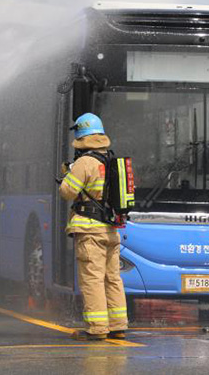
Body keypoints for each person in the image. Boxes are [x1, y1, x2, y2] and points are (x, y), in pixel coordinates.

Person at [59, 113, 128, 341]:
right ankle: (118, 325)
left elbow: (67, 191)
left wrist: (67, 174)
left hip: (90, 231)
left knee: (92, 278)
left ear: (80, 135)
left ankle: (97, 328)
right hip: (111, 230)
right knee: (113, 278)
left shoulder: (84, 162)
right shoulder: (110, 159)